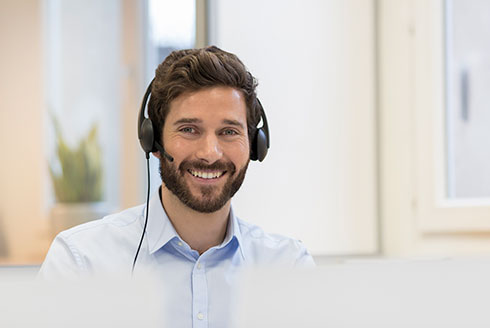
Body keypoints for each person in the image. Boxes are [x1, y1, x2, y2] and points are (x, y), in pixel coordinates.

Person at [39, 46, 314, 327]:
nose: (210, 153)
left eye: (229, 131)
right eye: (189, 130)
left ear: (256, 146)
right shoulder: (81, 262)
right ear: (154, 142)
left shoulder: (288, 266)